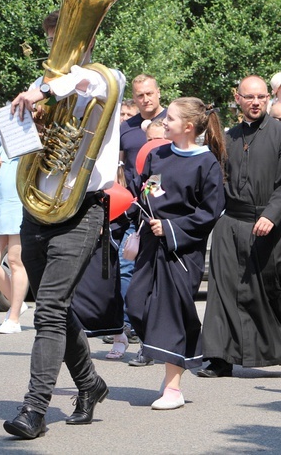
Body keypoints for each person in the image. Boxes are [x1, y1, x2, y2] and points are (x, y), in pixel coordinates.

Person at [3, 31, 126, 438]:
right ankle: (90, 384)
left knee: (50, 311)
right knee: (56, 308)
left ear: (87, 41)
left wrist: (44, 91)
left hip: (82, 210)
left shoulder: (108, 79)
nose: (59, 48)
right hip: (38, 208)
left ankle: (34, 410)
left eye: (67, 39)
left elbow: (84, 82)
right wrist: (28, 119)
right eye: (54, 41)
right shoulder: (45, 89)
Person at [198, 75, 281, 378]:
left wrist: (271, 215)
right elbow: (216, 183)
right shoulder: (228, 137)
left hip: (267, 225)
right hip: (231, 224)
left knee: (270, 290)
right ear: (238, 98)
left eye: (261, 97)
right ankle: (220, 358)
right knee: (223, 292)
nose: (256, 102)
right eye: (249, 97)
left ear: (268, 98)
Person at [125, 97, 226, 409]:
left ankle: (173, 388)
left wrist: (171, 228)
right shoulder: (158, 154)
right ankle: (173, 361)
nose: (163, 122)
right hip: (151, 244)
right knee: (136, 302)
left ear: (188, 126)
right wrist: (135, 211)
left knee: (170, 313)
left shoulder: (206, 162)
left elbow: (211, 210)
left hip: (183, 251)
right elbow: (150, 189)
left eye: (169, 118)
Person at [119, 74, 168, 366]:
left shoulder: (172, 120)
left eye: (150, 93)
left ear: (158, 92)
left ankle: (168, 344)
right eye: (140, 95)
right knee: (129, 273)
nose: (146, 99)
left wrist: (151, 193)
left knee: (161, 283)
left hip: (167, 214)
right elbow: (120, 169)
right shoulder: (126, 129)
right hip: (135, 215)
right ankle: (143, 339)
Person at [0, 148, 29, 334]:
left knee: (16, 261)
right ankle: (17, 302)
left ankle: (14, 318)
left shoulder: (33, 141)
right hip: (1, 207)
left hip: (20, 206)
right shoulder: (5, 144)